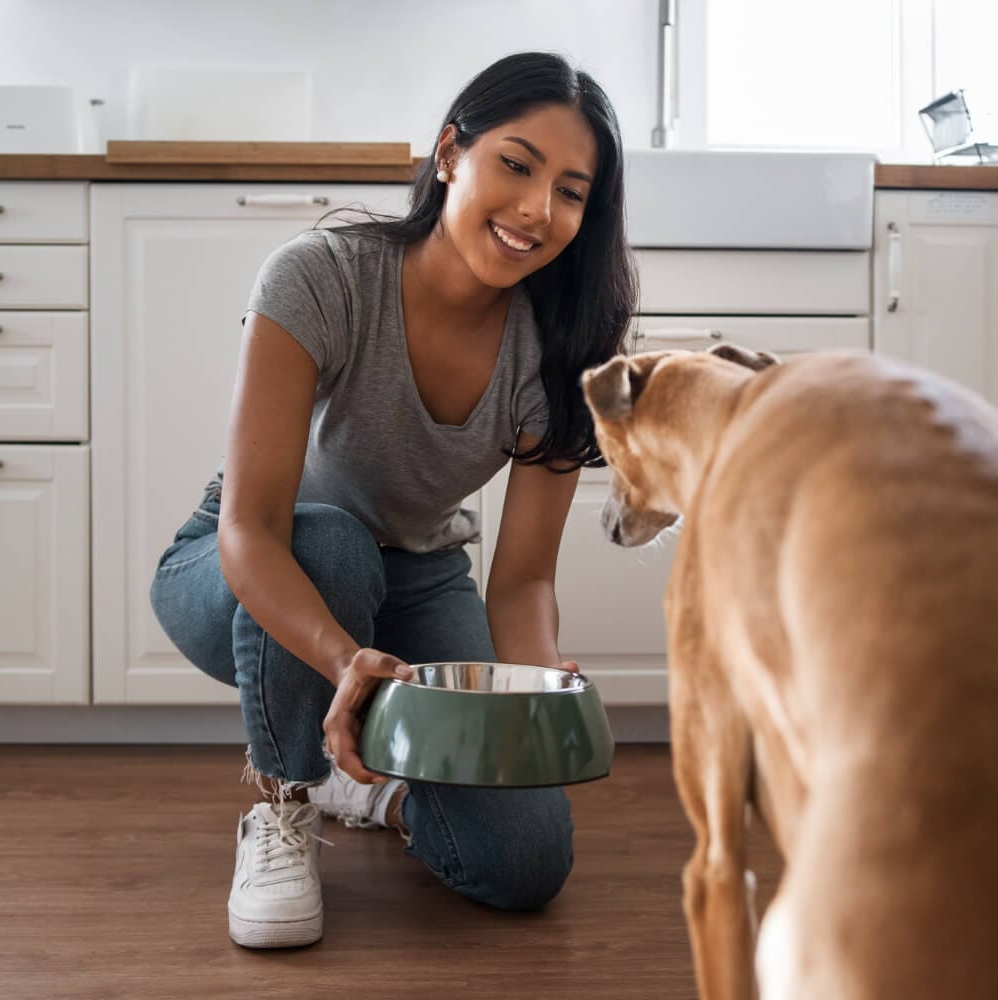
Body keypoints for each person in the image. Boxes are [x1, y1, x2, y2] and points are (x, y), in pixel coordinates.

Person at [149, 51, 636, 949]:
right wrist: (344, 658)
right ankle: (284, 800)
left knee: (525, 865)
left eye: (571, 191)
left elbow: (523, 581)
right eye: (517, 165)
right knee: (329, 542)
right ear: (451, 152)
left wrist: (538, 686)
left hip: (416, 580)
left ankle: (364, 788)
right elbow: (253, 530)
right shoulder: (321, 276)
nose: (538, 210)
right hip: (240, 567)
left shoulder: (560, 351)